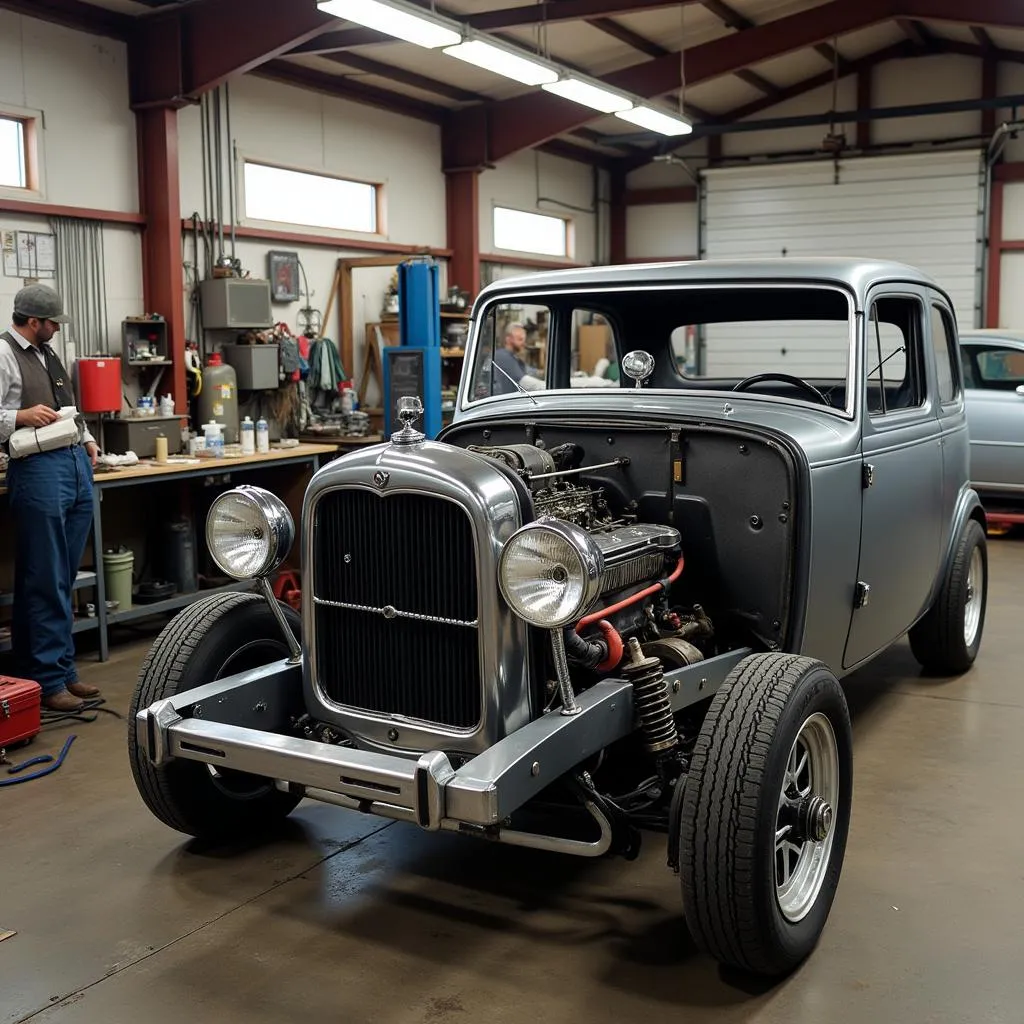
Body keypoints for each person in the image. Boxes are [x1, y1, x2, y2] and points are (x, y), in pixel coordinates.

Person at [1, 285, 101, 711]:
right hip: (38, 469)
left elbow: (66, 406)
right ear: (34, 321)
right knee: (44, 578)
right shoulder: (5, 354)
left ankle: (60, 670)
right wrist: (18, 416)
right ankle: (46, 679)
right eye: (53, 322)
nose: (58, 328)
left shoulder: (49, 354)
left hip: (74, 463)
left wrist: (89, 439)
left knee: (62, 577)